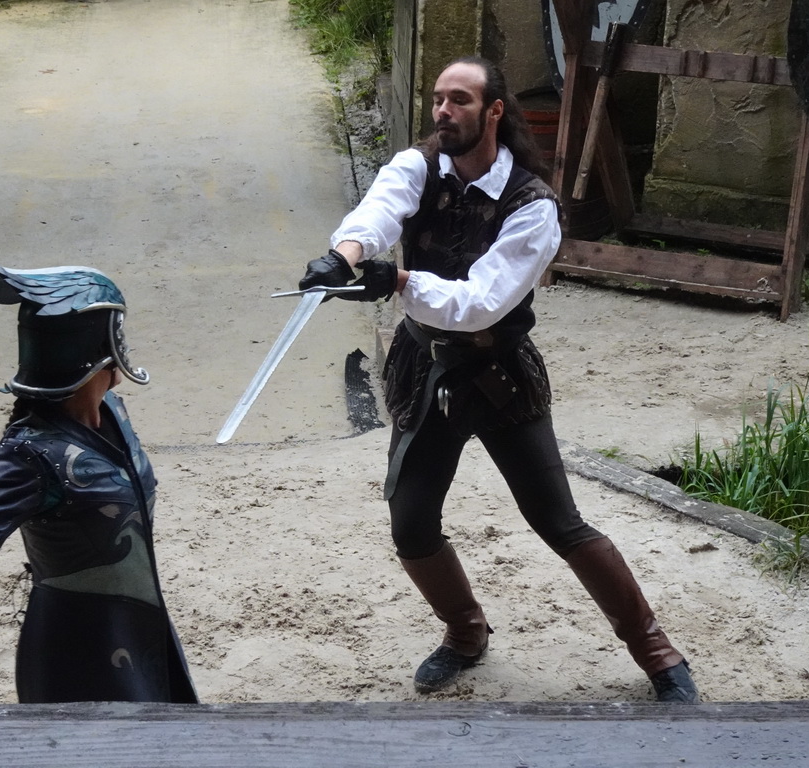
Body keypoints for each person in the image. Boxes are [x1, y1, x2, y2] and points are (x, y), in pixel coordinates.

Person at [298, 56, 699, 703]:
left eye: (459, 100)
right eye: (437, 99)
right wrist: (342, 258)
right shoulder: (419, 166)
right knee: (411, 522)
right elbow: (379, 212)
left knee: (558, 520)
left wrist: (398, 281)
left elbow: (480, 303)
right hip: (426, 370)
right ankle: (465, 632)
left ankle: (654, 648)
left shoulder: (534, 208)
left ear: (493, 112)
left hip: (498, 374)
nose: (442, 111)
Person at [0, 264, 199, 704]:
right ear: (100, 344)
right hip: (80, 647)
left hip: (145, 626)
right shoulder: (28, 454)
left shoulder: (112, 411)